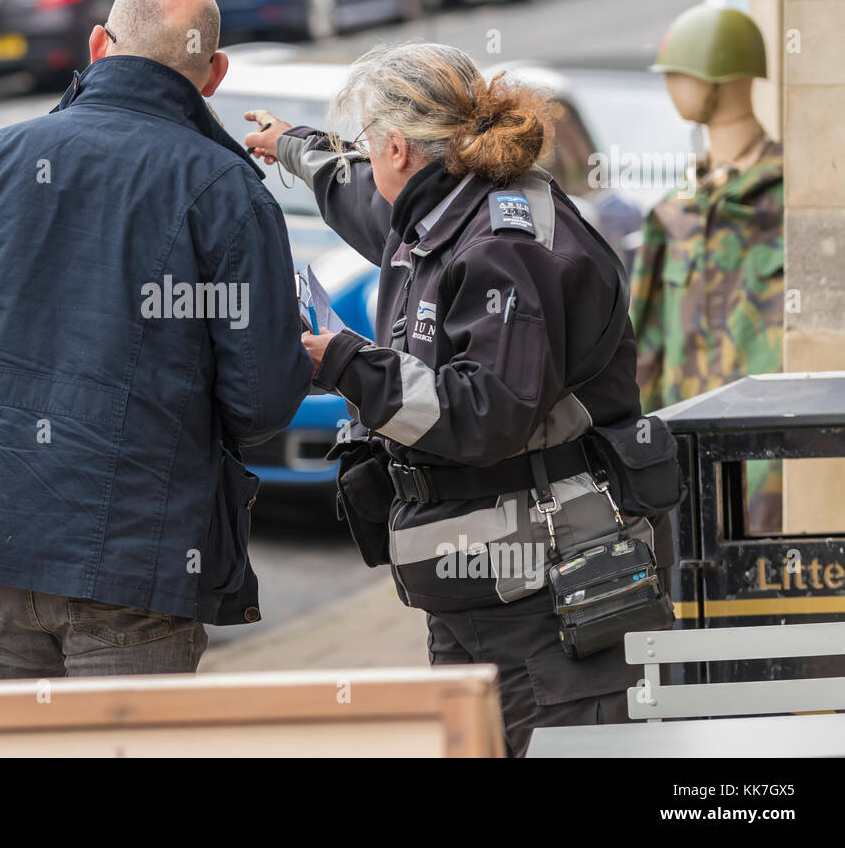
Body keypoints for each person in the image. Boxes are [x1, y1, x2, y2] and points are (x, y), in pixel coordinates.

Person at [244, 42, 672, 756]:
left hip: (546, 600)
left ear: (398, 147)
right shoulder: (447, 207)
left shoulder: (502, 245)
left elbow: (486, 413)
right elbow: (361, 198)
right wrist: (291, 146)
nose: (368, 166)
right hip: (481, 593)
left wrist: (344, 362)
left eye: (369, 147)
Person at [0, 0, 311, 680]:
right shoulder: (226, 192)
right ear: (214, 75)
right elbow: (260, 400)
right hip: (136, 549)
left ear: (97, 44)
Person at [631, 5, 783, 534]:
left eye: (683, 73)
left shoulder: (798, 199)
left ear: (724, 78)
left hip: (780, 463)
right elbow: (642, 352)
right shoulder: (675, 211)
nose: (673, 86)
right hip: (688, 459)